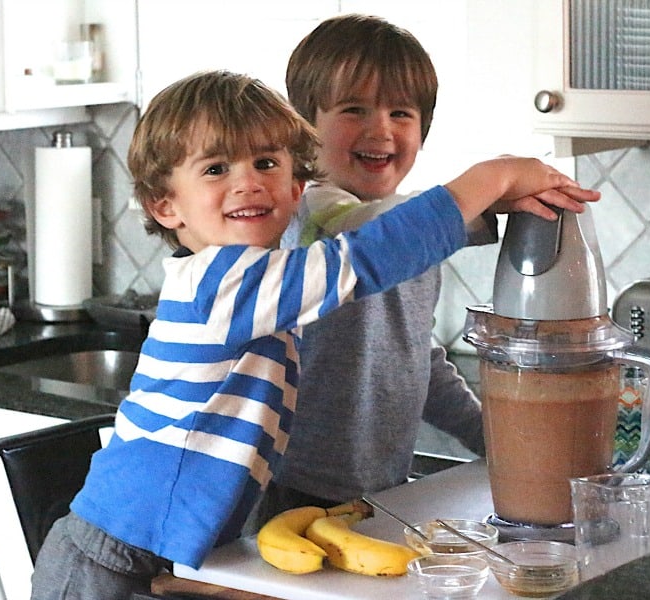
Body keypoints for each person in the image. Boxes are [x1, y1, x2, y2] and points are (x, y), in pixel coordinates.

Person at [30, 69, 597, 599]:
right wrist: (491, 177)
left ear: (298, 187)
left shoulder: (261, 274)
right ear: (166, 205)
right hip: (106, 561)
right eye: (215, 169)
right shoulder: (222, 283)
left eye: (267, 164)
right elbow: (369, 254)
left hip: (158, 552)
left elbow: (374, 240)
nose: (247, 183)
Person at [255, 13, 558, 521]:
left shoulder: (414, 238)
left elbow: (415, 360)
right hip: (288, 488)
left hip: (381, 487)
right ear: (303, 128)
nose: (381, 130)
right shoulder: (309, 217)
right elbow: (371, 232)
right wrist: (492, 180)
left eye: (402, 113)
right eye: (354, 110)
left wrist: (490, 438)